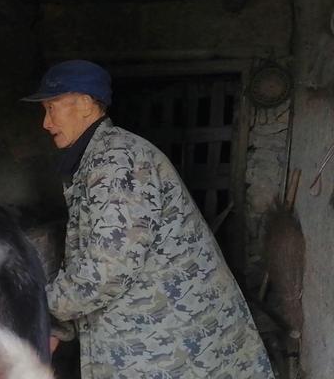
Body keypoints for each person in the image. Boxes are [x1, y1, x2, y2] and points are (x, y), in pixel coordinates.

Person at [21, 60, 274, 378]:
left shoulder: (117, 162)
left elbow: (105, 272)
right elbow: (91, 260)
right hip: (165, 336)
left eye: (51, 107)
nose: (45, 123)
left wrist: (34, 307)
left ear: (85, 104)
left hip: (172, 341)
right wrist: (58, 327)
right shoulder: (101, 158)